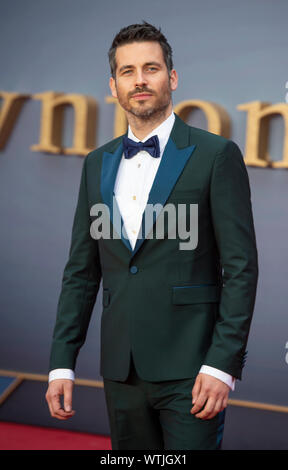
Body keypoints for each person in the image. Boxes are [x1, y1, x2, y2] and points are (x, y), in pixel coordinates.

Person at [45, 22, 258, 450]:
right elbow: (82, 273)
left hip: (193, 371)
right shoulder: (96, 163)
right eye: (127, 71)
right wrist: (61, 365)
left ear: (172, 78)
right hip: (120, 371)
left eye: (151, 68)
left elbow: (240, 268)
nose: (140, 80)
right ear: (113, 85)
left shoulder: (216, 155)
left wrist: (222, 365)